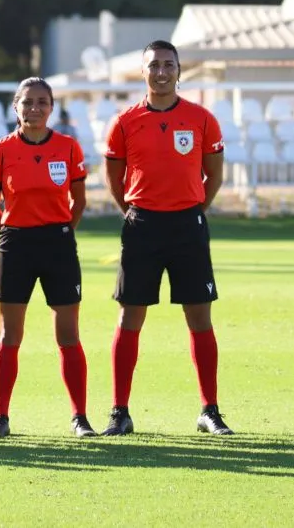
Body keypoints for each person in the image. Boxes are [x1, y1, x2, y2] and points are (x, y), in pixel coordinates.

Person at [102, 40, 232, 436]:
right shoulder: (124, 122)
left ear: (179, 70)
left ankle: (209, 410)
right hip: (142, 226)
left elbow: (214, 176)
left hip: (187, 226)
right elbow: (115, 180)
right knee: (130, 317)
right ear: (143, 71)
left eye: (168, 65)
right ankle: (119, 412)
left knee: (199, 317)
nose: (161, 72)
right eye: (154, 65)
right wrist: (137, 212)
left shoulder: (201, 119)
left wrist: (192, 209)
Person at [0, 77, 95, 438]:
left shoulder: (68, 147)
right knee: (10, 334)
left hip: (58, 243)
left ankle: (80, 418)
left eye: (42, 102)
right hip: (15, 245)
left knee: (68, 335)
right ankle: (0, 417)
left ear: (52, 107)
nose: (35, 108)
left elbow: (79, 200)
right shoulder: (1, 151)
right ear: (16, 106)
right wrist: (11, 233)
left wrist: (60, 232)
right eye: (28, 102)